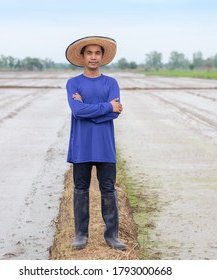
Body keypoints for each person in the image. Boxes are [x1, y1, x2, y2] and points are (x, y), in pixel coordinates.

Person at [65, 36, 126, 251]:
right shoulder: (73, 83)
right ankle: (81, 235)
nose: (93, 57)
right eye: (89, 53)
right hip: (81, 146)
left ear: (102, 57)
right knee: (80, 189)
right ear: (82, 57)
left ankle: (112, 235)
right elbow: (77, 111)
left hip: (105, 146)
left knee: (108, 190)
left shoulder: (111, 83)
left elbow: (115, 113)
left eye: (97, 53)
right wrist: (106, 107)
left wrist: (93, 110)